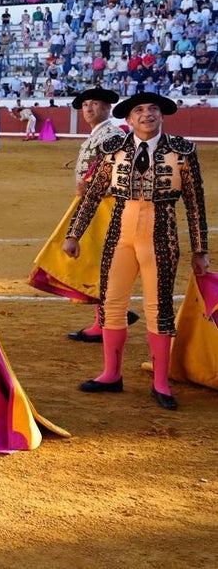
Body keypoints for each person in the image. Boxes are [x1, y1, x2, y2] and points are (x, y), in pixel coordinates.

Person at [62, 92, 209, 410]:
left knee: (160, 309)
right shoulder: (112, 150)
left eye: (153, 109)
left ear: (162, 116)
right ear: (128, 120)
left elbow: (195, 202)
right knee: (111, 304)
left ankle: (160, 383)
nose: (147, 114)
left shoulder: (182, 151)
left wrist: (200, 250)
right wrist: (74, 234)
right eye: (139, 110)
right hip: (120, 235)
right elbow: (93, 195)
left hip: (162, 237)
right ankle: (111, 374)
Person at [62, 88, 137, 343]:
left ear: (107, 108)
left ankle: (108, 319)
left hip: (106, 208)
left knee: (101, 261)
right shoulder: (100, 134)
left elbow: (121, 171)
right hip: (96, 205)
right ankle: (107, 318)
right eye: (85, 105)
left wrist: (92, 185)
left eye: (95, 104)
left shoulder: (112, 134)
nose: (89, 109)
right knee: (97, 261)